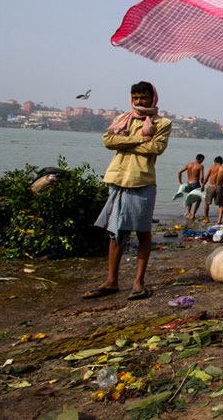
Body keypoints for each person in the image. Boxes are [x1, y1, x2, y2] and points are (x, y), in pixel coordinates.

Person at [83, 81, 171, 301]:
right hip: (117, 179)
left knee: (142, 232)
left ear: (153, 98)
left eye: (143, 98)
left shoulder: (162, 123)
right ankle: (111, 281)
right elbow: (108, 141)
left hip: (141, 182)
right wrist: (139, 139)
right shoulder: (123, 119)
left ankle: (138, 282)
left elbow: (156, 147)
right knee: (115, 233)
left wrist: (123, 142)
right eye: (136, 98)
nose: (139, 102)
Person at [203, 156, 223, 224]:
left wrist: (202, 186)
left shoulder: (211, 168)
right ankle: (219, 220)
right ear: (222, 162)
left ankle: (206, 218)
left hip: (211, 187)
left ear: (215, 162)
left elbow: (206, 178)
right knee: (221, 204)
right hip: (219, 188)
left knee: (207, 203)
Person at [177, 154, 205, 221]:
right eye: (203, 160)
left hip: (188, 183)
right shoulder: (200, 166)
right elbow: (201, 177)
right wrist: (203, 185)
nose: (202, 161)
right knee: (199, 199)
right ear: (201, 159)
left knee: (190, 198)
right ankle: (193, 214)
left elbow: (179, 172)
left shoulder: (189, 165)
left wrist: (180, 182)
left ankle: (188, 213)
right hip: (195, 183)